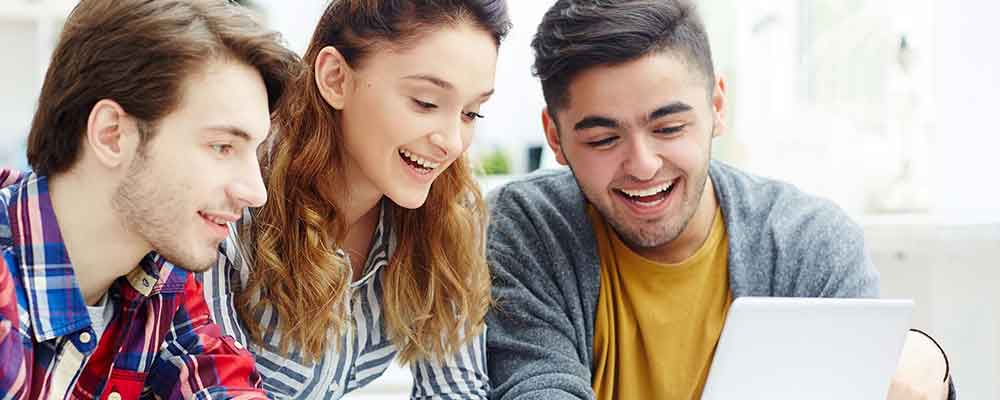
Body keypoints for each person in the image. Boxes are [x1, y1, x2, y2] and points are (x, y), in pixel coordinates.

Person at [484, 1, 955, 399]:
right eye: (603, 139)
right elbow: (537, 385)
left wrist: (926, 365)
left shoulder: (808, 243)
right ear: (556, 137)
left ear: (717, 107)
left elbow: (890, 380)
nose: (643, 165)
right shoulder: (530, 228)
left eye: (669, 128)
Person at [197, 0, 510, 398]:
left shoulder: (451, 211)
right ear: (335, 79)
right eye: (426, 102)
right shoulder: (235, 199)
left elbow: (456, 389)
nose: (451, 143)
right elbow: (215, 386)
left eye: (471, 113)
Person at [0, 0, 299, 398]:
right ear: (112, 135)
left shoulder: (158, 280)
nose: (255, 193)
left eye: (254, 153)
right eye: (222, 147)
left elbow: (220, 383)